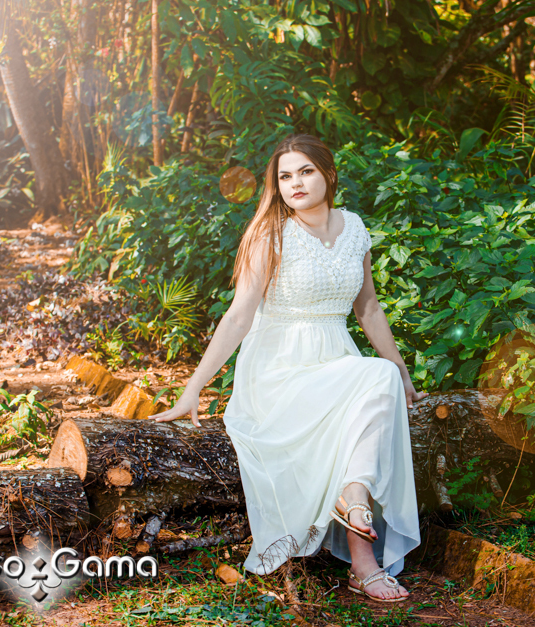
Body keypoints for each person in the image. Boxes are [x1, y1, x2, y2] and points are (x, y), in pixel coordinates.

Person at [150, 134, 428, 603]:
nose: (295, 183)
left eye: (305, 171)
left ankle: (355, 513)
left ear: (329, 175)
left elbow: (368, 307)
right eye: (285, 176)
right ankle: (362, 550)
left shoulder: (355, 228)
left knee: (376, 382)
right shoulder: (270, 234)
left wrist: (400, 369)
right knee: (372, 381)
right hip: (278, 371)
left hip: (336, 361)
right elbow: (238, 316)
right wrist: (193, 387)